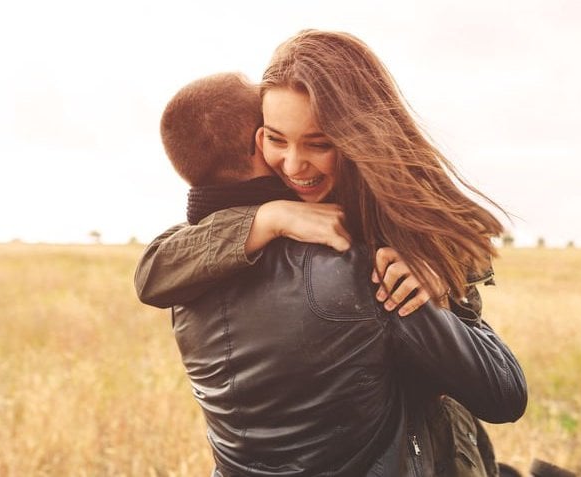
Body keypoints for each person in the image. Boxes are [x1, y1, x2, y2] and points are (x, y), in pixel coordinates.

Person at [136, 31, 526, 476]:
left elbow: (463, 238)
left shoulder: (392, 204)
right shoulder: (289, 234)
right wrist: (267, 217)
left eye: (319, 143)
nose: (295, 165)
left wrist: (443, 272)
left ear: (362, 136)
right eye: (276, 139)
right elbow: (154, 270)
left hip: (441, 439)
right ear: (257, 138)